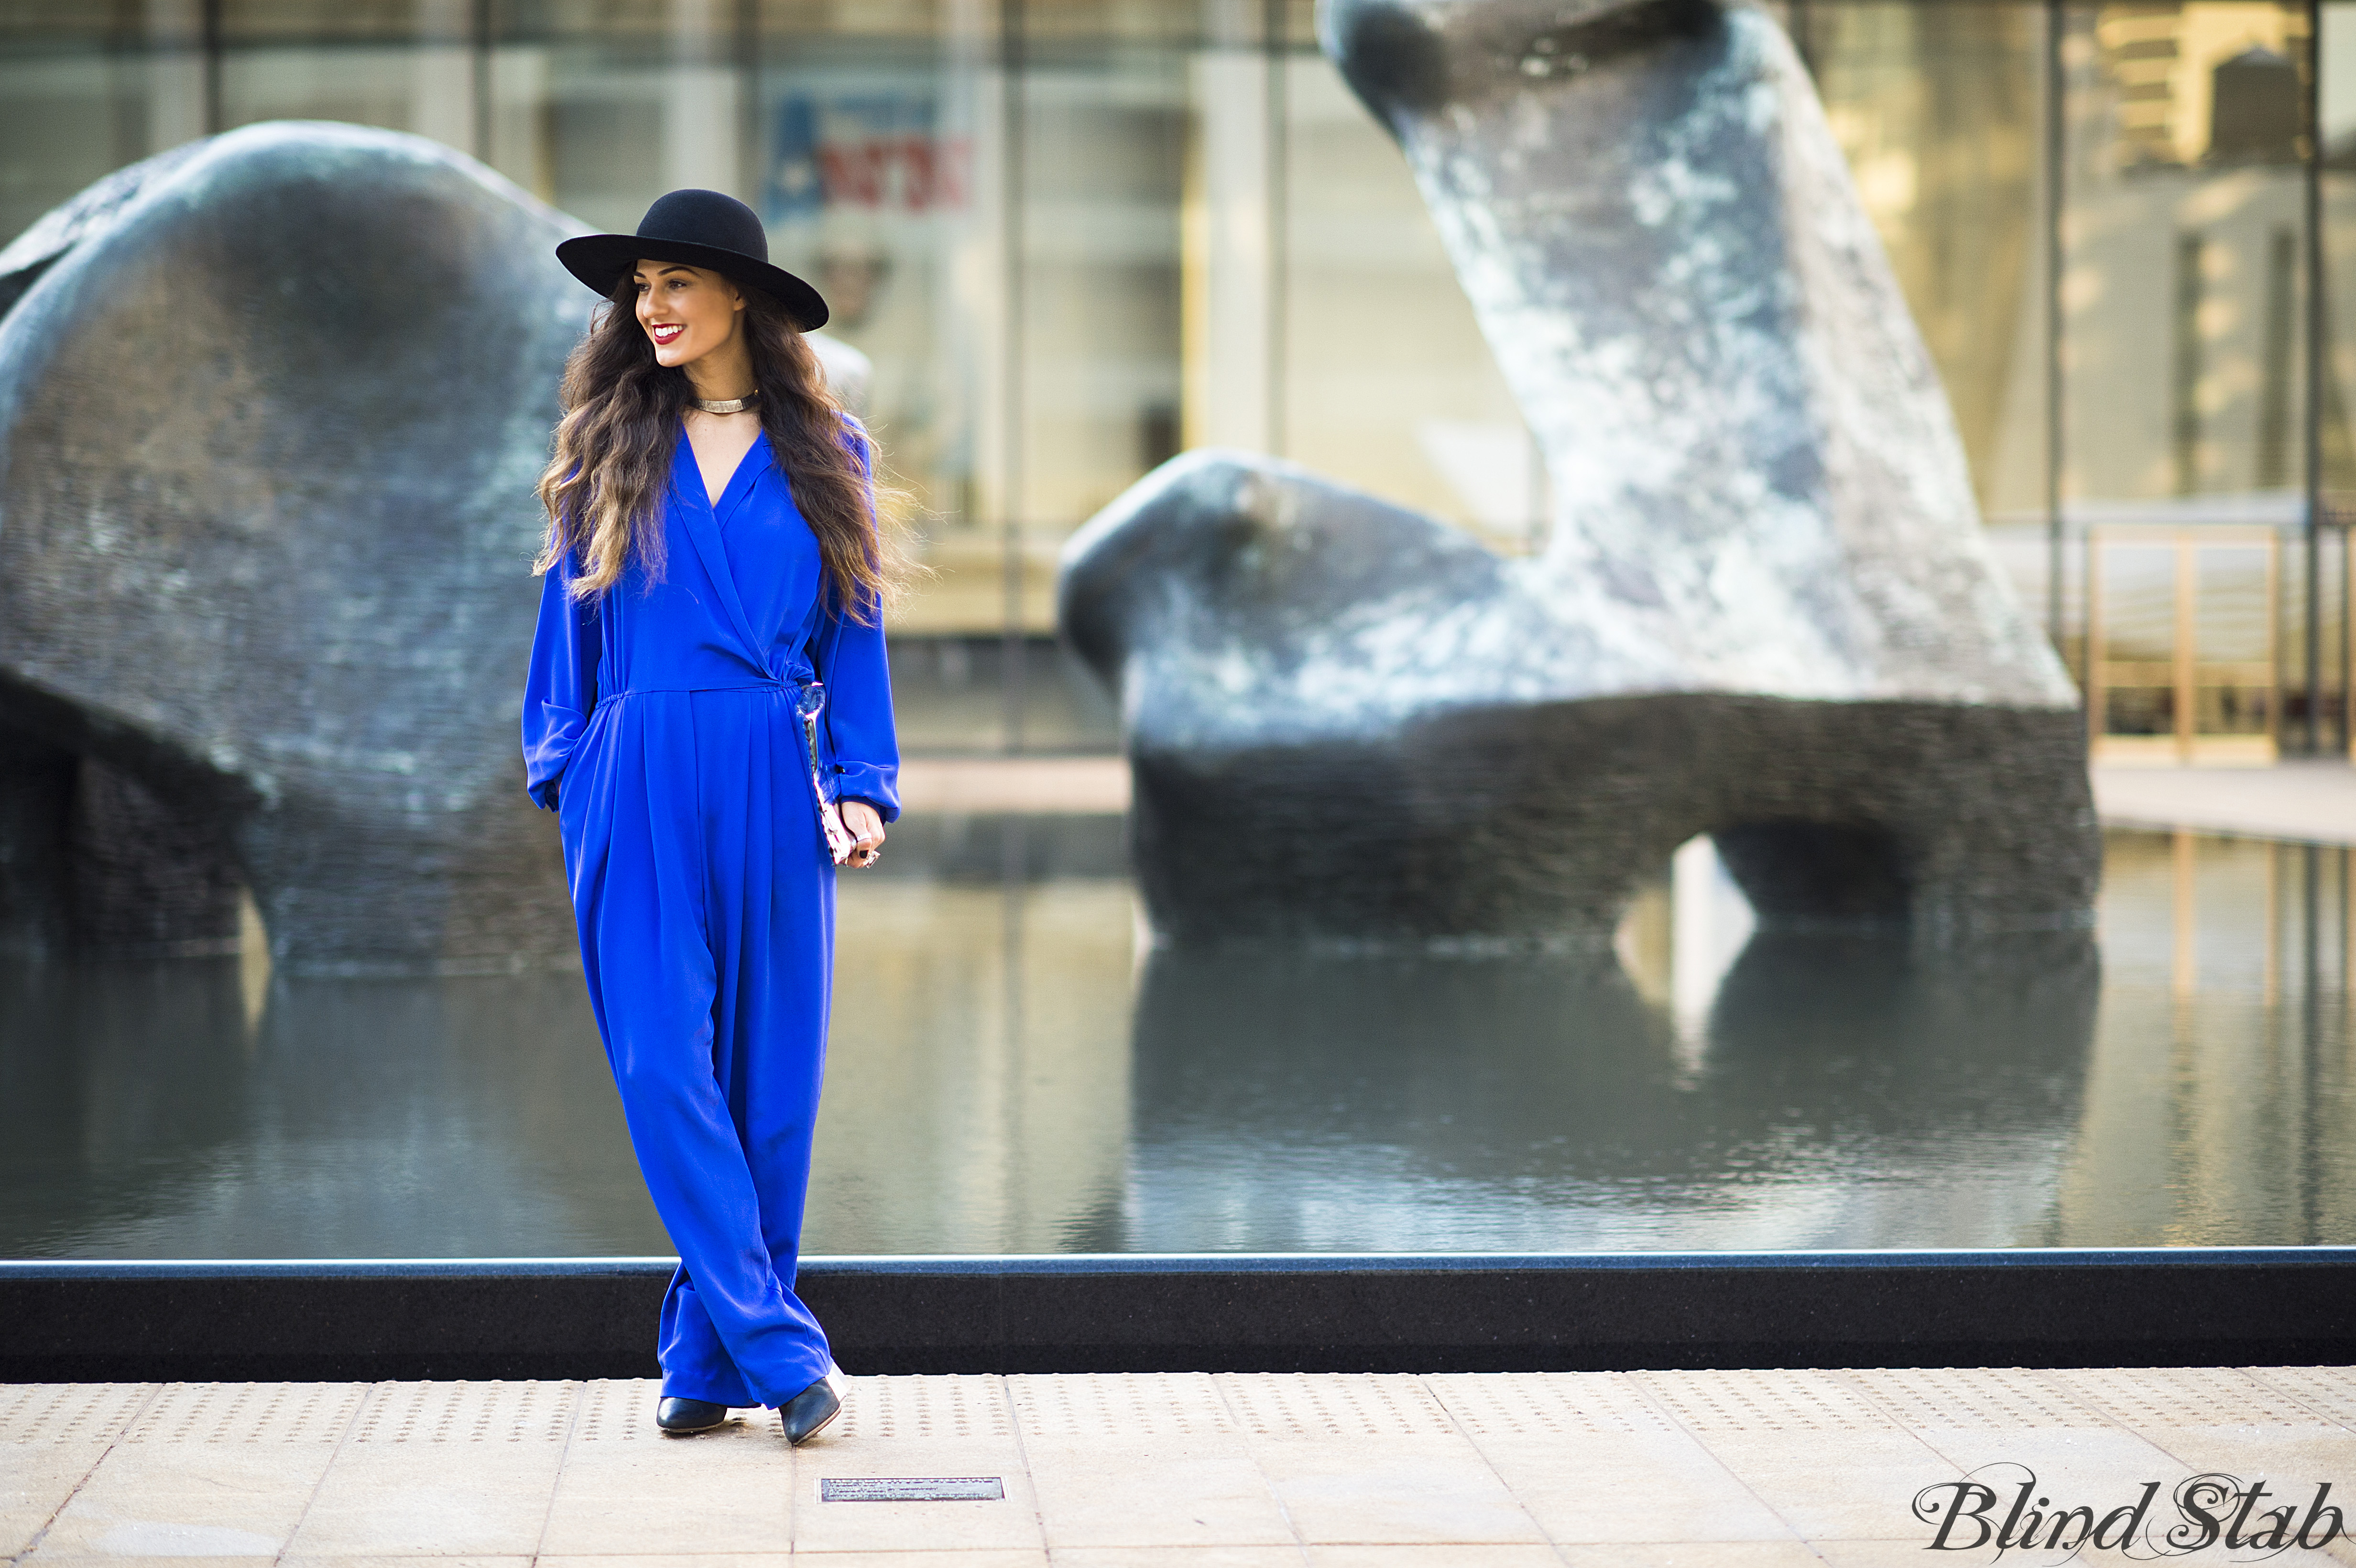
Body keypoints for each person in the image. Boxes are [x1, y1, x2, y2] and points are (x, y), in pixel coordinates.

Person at [521, 188, 901, 1444]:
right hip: (636, 770)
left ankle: (703, 1355)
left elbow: (854, 635)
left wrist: (859, 781)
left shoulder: (825, 453)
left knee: (771, 1087)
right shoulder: (606, 448)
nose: (654, 308)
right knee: (660, 1064)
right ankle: (785, 1350)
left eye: (677, 282)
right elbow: (560, 646)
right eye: (640, 289)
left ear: (742, 295)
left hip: (773, 770)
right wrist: (572, 771)